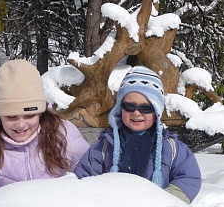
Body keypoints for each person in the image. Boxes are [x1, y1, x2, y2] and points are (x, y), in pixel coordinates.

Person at [0, 59, 90, 202]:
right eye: (11, 117)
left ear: (40, 112)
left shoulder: (63, 133)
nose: (21, 125)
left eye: (29, 115)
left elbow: (90, 179)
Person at [74, 66, 202, 204]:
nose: (136, 113)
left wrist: (167, 200)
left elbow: (189, 177)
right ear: (120, 108)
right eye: (129, 106)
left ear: (156, 112)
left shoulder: (172, 148)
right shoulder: (105, 147)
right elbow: (84, 177)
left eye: (145, 108)